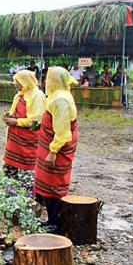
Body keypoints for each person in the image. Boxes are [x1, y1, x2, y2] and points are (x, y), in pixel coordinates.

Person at [34, 67, 79, 233]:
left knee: (54, 184)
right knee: (48, 183)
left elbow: (62, 130)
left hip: (58, 147)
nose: (46, 80)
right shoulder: (56, 96)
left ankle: (57, 223)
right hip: (52, 145)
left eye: (48, 77)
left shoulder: (61, 100)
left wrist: (53, 150)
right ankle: (52, 219)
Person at [1, 70, 46, 192]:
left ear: (26, 82)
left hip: (27, 142)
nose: (15, 84)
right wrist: (8, 116)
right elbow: (14, 112)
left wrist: (17, 122)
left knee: (26, 173)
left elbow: (36, 121)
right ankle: (8, 195)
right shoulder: (19, 95)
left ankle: (26, 199)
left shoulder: (37, 95)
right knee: (10, 171)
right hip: (14, 141)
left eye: (18, 82)